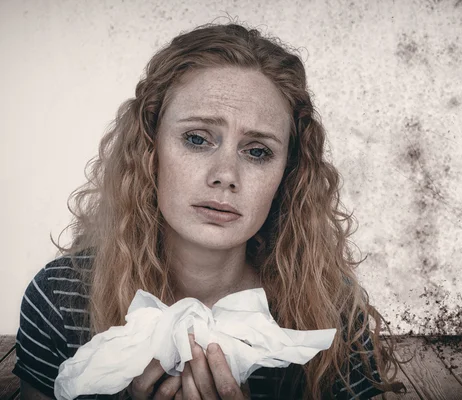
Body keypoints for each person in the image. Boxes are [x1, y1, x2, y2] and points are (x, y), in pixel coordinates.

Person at [14, 23, 406, 399]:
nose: (225, 175)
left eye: (257, 151)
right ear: (149, 151)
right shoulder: (62, 298)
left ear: (287, 174)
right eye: (197, 139)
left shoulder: (330, 310)